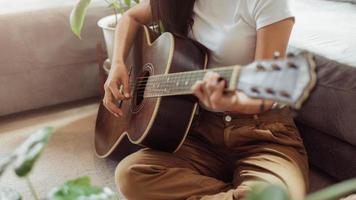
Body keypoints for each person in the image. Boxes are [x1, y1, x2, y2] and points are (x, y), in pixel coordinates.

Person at [103, 0, 308, 199]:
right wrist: (117, 63)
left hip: (262, 134)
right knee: (130, 175)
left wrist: (232, 102)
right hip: (201, 133)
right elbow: (131, 16)